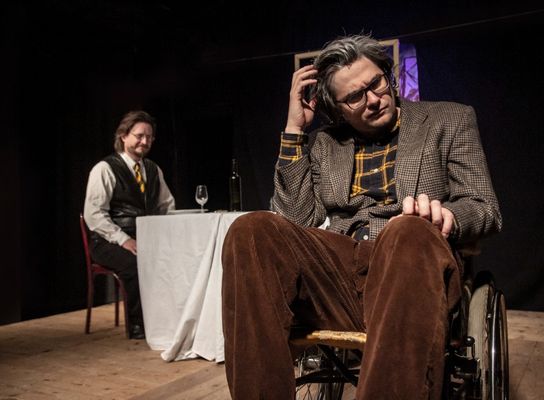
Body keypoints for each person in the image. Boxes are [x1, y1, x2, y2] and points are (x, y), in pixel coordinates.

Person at [221, 34, 501, 399]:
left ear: (388, 75)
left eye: (376, 84)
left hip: (411, 264)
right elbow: (294, 219)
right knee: (251, 230)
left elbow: (484, 206)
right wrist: (294, 131)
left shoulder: (450, 119)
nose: (372, 99)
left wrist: (446, 215)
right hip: (341, 273)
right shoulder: (325, 143)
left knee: (408, 230)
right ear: (336, 109)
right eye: (355, 97)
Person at [84, 110, 175, 340]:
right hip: (107, 241)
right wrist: (124, 240)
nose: (145, 141)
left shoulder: (153, 170)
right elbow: (94, 214)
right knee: (136, 264)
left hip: (144, 238)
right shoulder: (104, 169)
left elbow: (167, 205)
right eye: (139, 136)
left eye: (149, 137)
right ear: (124, 136)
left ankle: (170, 320)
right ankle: (139, 325)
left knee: (176, 257)